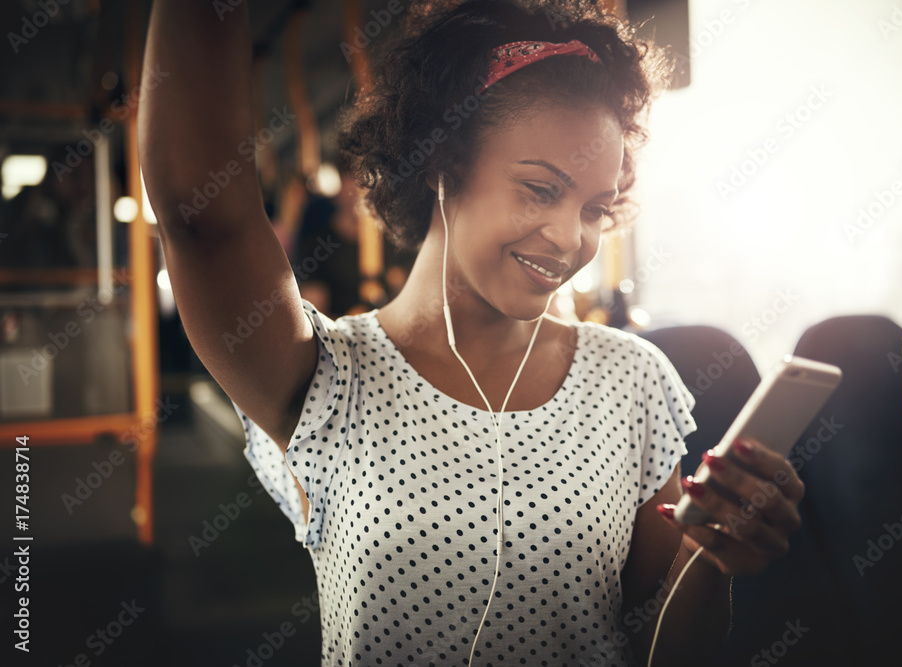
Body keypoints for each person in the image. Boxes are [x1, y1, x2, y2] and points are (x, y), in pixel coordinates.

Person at [138, 1, 806, 665]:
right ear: (444, 163)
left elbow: (661, 645)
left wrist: (711, 555)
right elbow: (201, 212)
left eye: (595, 209)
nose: (573, 238)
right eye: (541, 189)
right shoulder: (330, 377)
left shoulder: (630, 378)